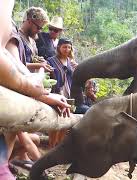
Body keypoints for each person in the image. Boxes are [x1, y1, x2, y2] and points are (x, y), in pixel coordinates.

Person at [0, 1, 70, 178]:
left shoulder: (27, 40)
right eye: (39, 27)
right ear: (29, 21)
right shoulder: (15, 36)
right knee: (17, 130)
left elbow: (16, 68)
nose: (41, 32)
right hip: (15, 94)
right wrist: (39, 86)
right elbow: (15, 68)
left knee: (30, 137)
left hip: (23, 89)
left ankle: (10, 164)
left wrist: (43, 91)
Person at [47, 38, 76, 147]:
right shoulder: (50, 60)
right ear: (58, 47)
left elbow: (73, 78)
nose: (67, 49)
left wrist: (75, 69)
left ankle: (59, 146)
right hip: (56, 94)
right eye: (64, 47)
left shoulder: (71, 62)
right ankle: (52, 145)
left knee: (66, 121)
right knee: (55, 121)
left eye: (69, 47)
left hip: (69, 93)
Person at [18, 6, 53, 72]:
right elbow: (15, 64)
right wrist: (39, 65)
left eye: (41, 28)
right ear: (29, 21)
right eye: (38, 27)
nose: (39, 31)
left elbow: (31, 60)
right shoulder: (16, 37)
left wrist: (38, 60)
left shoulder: (32, 39)